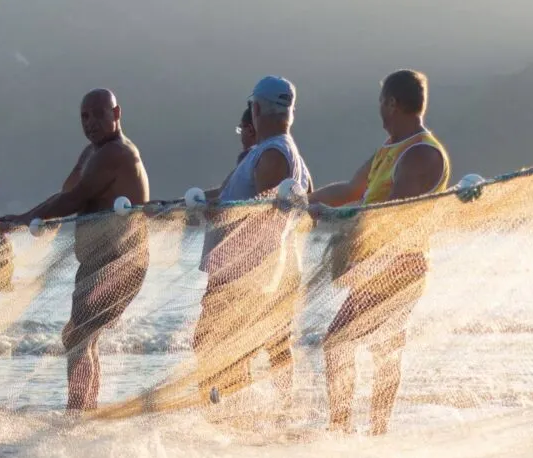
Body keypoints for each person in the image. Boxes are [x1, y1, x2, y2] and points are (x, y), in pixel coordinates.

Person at [309, 69, 450, 435]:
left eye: (381, 104)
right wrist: (305, 202)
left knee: (344, 344)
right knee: (371, 346)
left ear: (392, 103)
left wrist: (336, 217)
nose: (380, 113)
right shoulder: (389, 150)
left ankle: (359, 430)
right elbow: (352, 188)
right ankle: (361, 429)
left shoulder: (421, 153)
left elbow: (392, 214)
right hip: (374, 264)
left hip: (399, 265)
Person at [0, 88, 150, 412]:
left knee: (78, 334)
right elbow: (68, 190)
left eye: (98, 114)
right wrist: (37, 216)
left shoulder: (117, 153)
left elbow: (76, 197)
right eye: (84, 116)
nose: (91, 122)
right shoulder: (92, 152)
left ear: (117, 113)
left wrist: (26, 219)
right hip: (96, 260)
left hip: (121, 260)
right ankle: (85, 409)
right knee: (80, 335)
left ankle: (77, 411)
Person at [193, 76, 313, 408]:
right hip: (241, 271)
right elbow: (241, 197)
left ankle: (235, 420)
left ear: (256, 108)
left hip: (242, 273)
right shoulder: (271, 152)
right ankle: (234, 417)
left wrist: (217, 215)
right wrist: (194, 201)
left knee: (217, 347)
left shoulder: (274, 154)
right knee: (219, 348)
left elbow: (263, 219)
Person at [204, 104, 260, 202]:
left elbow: (221, 192)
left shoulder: (254, 159)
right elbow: (222, 190)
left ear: (250, 130)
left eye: (241, 129)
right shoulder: (259, 157)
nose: (240, 136)